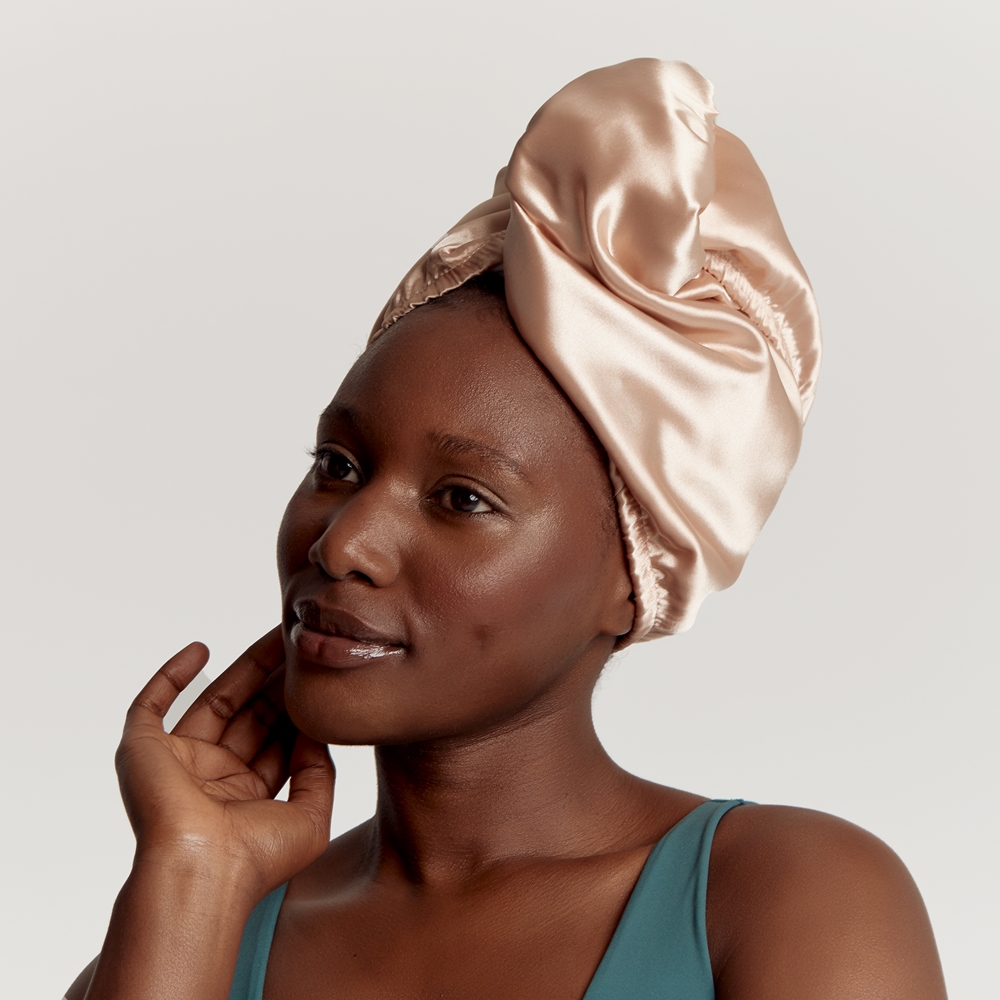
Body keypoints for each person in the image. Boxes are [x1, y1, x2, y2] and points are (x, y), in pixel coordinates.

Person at [66, 60, 947, 1000]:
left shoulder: (792, 898)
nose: (342, 543)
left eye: (462, 499)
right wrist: (191, 878)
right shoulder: (189, 933)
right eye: (339, 465)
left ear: (636, 576)